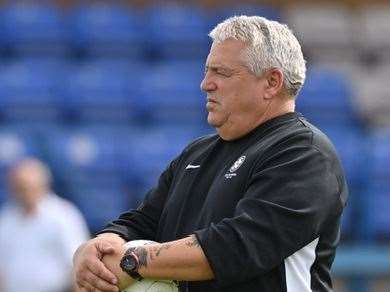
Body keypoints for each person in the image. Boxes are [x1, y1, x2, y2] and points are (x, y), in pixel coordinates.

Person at [73, 15, 348, 292]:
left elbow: (237, 247)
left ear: (272, 82)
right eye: (207, 71)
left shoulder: (305, 153)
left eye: (222, 73)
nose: (205, 84)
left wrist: (133, 261)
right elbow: (141, 222)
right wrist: (97, 246)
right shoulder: (196, 154)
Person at [0, 158, 90, 292]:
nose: (25, 193)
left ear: (43, 185)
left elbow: (79, 264)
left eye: (28, 187)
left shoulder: (64, 215)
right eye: (20, 187)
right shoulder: (6, 218)